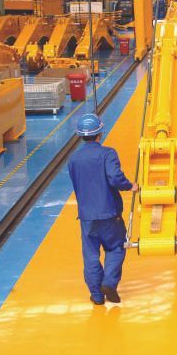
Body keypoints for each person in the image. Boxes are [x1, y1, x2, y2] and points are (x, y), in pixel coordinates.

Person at [68, 113, 138, 305]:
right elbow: (115, 178)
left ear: (80, 135)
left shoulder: (73, 159)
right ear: (100, 133)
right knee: (116, 247)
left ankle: (97, 296)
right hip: (109, 214)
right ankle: (109, 283)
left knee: (91, 255)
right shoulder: (108, 154)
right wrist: (130, 186)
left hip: (87, 217)